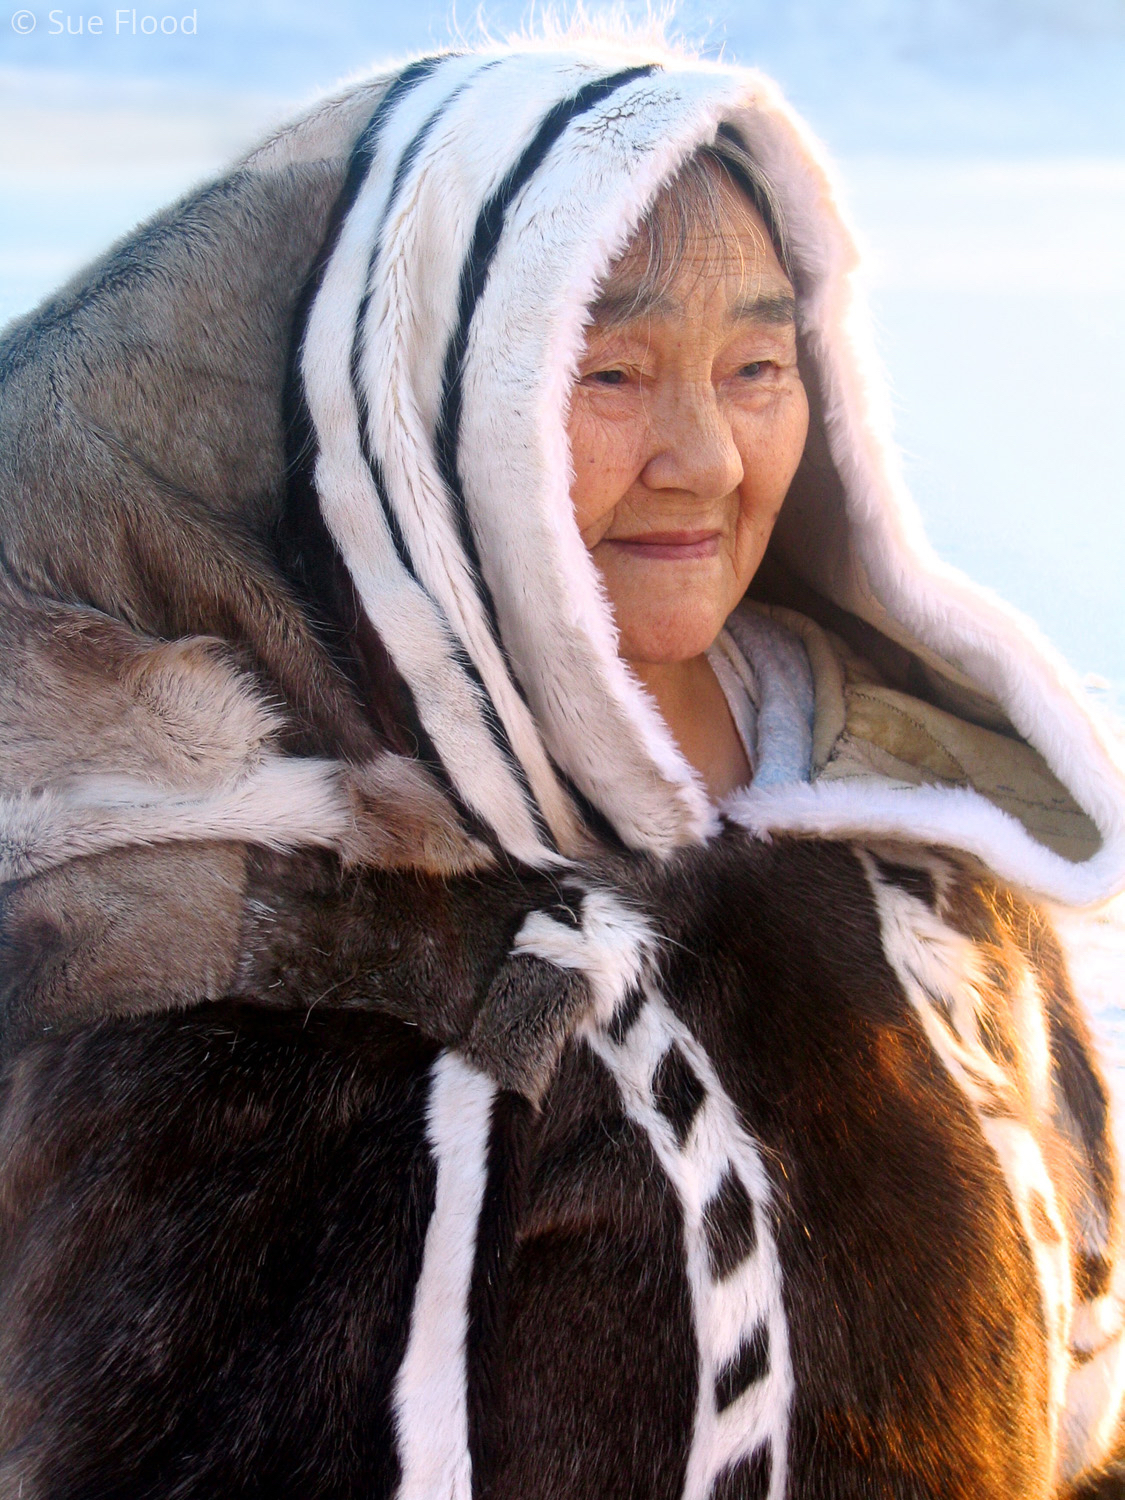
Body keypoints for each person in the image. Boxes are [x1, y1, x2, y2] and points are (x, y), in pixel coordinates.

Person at [1, 28, 1125, 1500]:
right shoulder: (274, 952)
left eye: (754, 365)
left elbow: (1076, 1402)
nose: (706, 456)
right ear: (420, 407)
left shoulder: (920, 847)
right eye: (609, 368)